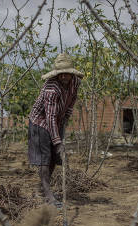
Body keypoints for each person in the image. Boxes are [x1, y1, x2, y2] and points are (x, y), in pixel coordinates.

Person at [28, 53, 83, 207]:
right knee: (45, 158)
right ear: (57, 74)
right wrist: (58, 142)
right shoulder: (51, 88)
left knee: (54, 158)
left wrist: (63, 125)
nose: (64, 77)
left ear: (72, 73)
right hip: (40, 122)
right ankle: (48, 196)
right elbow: (50, 117)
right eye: (61, 74)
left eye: (67, 73)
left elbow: (70, 105)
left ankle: (43, 189)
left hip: (56, 121)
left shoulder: (75, 83)